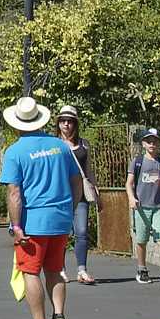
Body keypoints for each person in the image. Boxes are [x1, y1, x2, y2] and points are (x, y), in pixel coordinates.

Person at [0, 97, 90, 319]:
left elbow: (14, 192)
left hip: (33, 223)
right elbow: (77, 181)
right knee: (55, 270)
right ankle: (58, 316)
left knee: (30, 272)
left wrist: (16, 226)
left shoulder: (15, 152)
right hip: (59, 220)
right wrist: (69, 208)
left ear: (17, 124)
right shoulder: (60, 147)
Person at [129, 128, 160, 285]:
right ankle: (142, 269)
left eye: (155, 142)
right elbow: (129, 183)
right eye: (149, 141)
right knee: (141, 240)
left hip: (158, 207)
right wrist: (131, 198)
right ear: (143, 144)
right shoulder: (137, 162)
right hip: (142, 207)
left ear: (159, 145)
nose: (152, 144)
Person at [55, 105, 96, 284]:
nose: (66, 124)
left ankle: (82, 270)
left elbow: (89, 171)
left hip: (80, 195)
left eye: (70, 121)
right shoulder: (54, 144)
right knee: (62, 234)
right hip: (60, 195)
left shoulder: (84, 144)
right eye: (63, 121)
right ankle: (60, 269)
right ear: (58, 124)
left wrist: (96, 192)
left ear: (75, 124)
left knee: (81, 232)